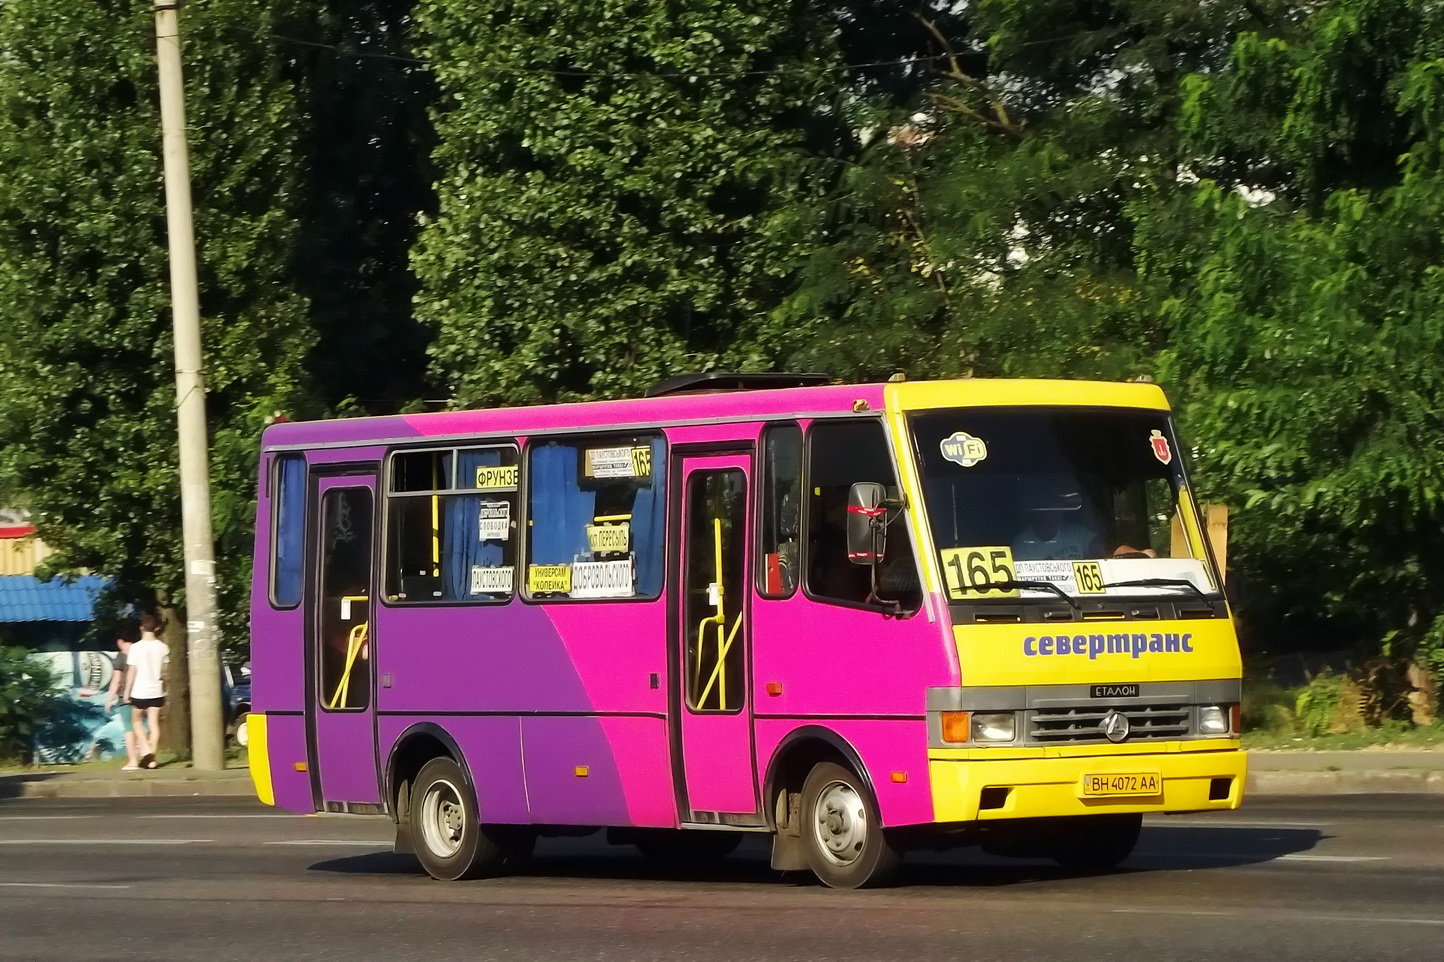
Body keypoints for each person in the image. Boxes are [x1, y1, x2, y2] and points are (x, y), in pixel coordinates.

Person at [125, 613, 169, 770]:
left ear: (141, 628)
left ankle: (146, 750)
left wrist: (126, 691)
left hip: (140, 690)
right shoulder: (163, 647)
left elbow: (132, 671)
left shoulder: (136, 647)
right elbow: (165, 671)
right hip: (157, 690)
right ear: (157, 628)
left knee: (136, 721)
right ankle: (152, 759)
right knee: (153, 723)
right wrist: (164, 685)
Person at [102, 631, 140, 771]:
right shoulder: (140, 653)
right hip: (144, 695)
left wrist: (109, 699)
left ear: (120, 642)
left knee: (129, 728)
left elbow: (117, 681)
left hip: (126, 697)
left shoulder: (121, 656)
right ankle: (148, 756)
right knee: (141, 727)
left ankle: (133, 761)